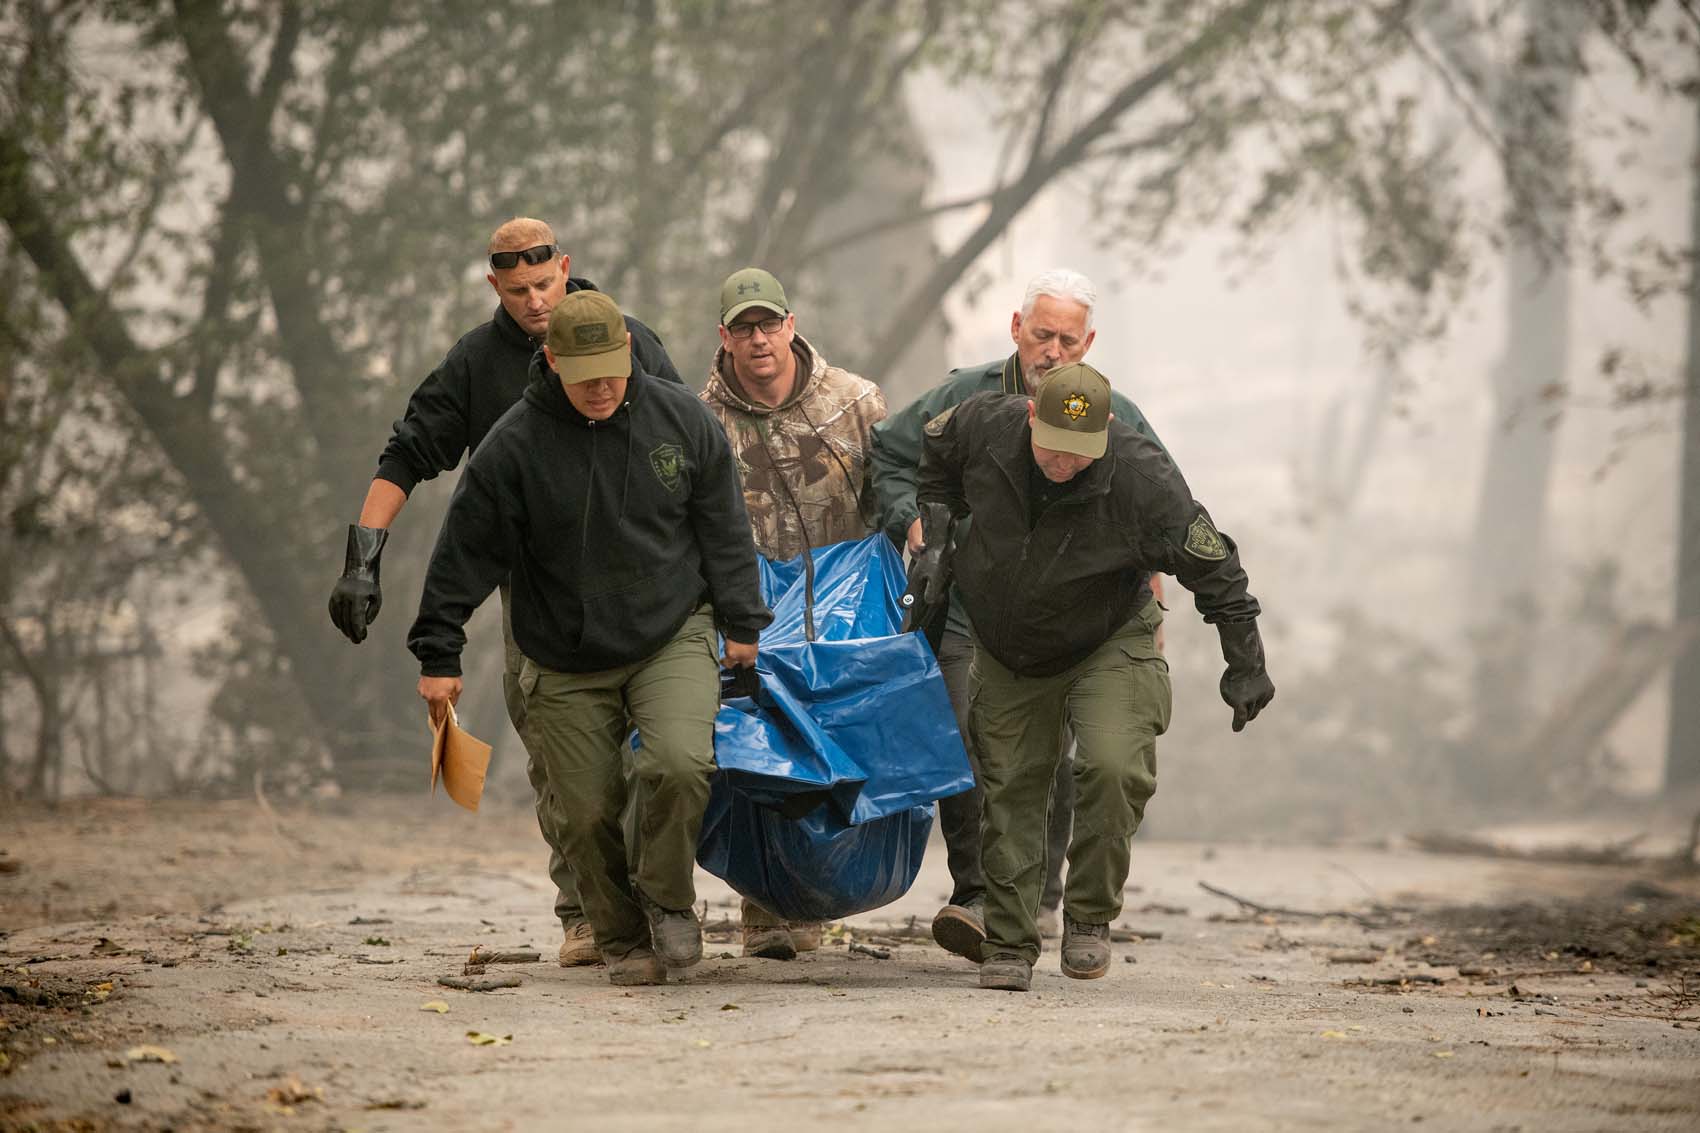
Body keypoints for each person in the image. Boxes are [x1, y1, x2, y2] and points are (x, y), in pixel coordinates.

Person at [327, 218, 682, 969]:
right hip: (539, 592)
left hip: (637, 581)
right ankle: (582, 910)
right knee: (561, 756)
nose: (534, 300)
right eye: (517, 290)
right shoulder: (478, 363)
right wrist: (364, 556)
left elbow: (687, 446)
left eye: (545, 283)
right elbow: (408, 451)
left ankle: (650, 899)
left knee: (652, 751)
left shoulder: (630, 340)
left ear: (566, 267)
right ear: (495, 286)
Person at [407, 290, 771, 986]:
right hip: (563, 649)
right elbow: (463, 553)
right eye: (584, 374)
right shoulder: (512, 446)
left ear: (630, 353)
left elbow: (725, 528)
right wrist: (438, 650)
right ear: (550, 361)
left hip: (671, 628)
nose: (601, 387)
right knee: (583, 809)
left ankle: (666, 899)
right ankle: (620, 933)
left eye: (612, 369)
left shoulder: (683, 420)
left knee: (677, 763)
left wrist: (743, 622)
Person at [916, 361, 1274, 992]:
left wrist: (1245, 660)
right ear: (1030, 414)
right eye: (1054, 445)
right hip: (1009, 642)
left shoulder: (1145, 480)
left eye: (1081, 451)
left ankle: (1088, 915)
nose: (1064, 462)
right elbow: (935, 458)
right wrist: (939, 539)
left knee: (1113, 766)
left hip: (1107, 635)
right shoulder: (982, 425)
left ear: (1107, 428)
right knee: (1011, 785)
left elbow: (1215, 565)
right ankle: (1009, 940)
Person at [868, 269, 1167, 961]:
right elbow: (889, 448)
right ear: (1015, 329)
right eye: (1041, 335)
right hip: (972, 605)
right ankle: (977, 892)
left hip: (1078, 617)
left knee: (1059, 753)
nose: (1052, 351)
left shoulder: (1114, 412)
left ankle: (1043, 896)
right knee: (969, 734)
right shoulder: (964, 395)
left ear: (1087, 344)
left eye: (1068, 339)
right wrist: (911, 520)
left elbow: (1156, 504)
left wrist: (1152, 593)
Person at [699, 267, 888, 960]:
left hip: (843, 619)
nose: (759, 341)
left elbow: (893, 496)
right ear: (724, 337)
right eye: (743, 328)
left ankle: (820, 894)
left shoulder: (857, 403)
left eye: (768, 325)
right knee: (757, 762)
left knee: (837, 764)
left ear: (791, 325)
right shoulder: (702, 420)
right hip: (748, 619)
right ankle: (767, 908)